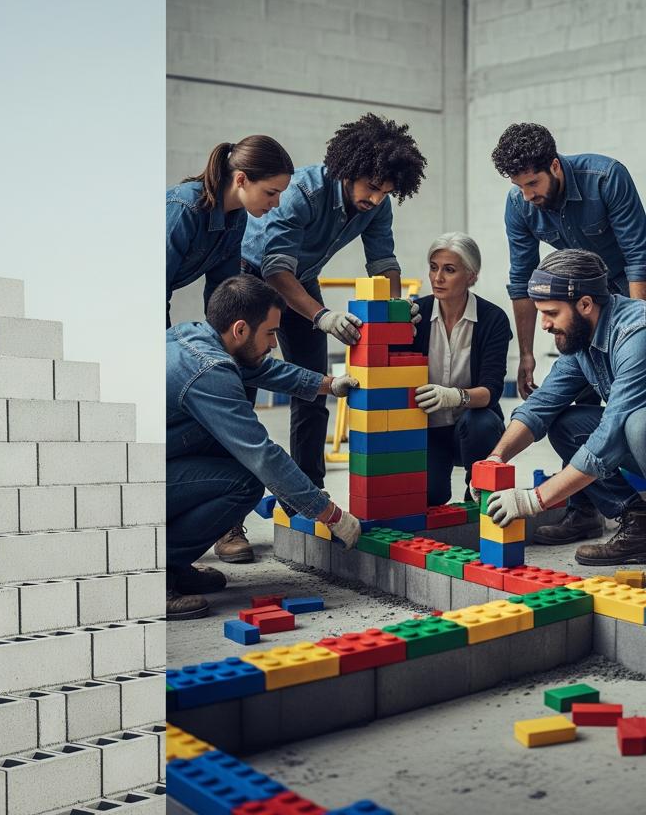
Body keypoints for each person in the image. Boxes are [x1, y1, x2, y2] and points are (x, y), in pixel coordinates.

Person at [239, 113, 426, 506]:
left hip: (301, 278)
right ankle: (230, 519)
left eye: (385, 192)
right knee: (241, 392)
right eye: (372, 187)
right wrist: (323, 316)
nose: (375, 199)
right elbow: (275, 270)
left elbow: (383, 261)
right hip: (252, 276)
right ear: (348, 170)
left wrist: (395, 309)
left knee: (312, 386)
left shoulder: (377, 205)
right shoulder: (302, 193)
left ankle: (308, 494)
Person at [166, 275, 361, 618]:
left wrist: (328, 385)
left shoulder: (197, 336)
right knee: (246, 481)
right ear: (240, 329)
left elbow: (262, 368)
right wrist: (328, 513)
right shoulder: (209, 370)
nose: (274, 343)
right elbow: (262, 454)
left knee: (227, 454)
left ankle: (174, 564)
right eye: (270, 333)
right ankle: (155, 569)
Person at [480, 250, 646, 566]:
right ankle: (638, 524)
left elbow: (611, 434)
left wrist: (534, 499)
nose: (543, 324)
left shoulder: (636, 334)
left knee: (637, 423)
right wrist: (495, 459)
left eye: (552, 313)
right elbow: (541, 406)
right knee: (567, 424)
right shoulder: (582, 338)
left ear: (585, 304)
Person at [492, 122, 646, 402]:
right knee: (581, 387)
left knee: (633, 379)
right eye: (518, 186)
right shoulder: (518, 204)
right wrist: (526, 354)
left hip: (630, 289)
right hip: (582, 298)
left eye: (532, 184)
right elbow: (521, 280)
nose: (527, 195)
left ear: (554, 166)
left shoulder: (606, 178)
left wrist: (639, 326)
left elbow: (638, 258)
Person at [409, 233, 511, 505]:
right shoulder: (417, 313)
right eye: (433, 267)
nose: (437, 277)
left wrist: (455, 396)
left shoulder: (493, 319)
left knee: (483, 422)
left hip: (471, 426)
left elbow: (491, 391)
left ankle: (477, 489)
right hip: (428, 429)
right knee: (432, 495)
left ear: (471, 276)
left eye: (449, 270)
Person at [166, 136, 293, 327]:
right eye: (271, 193)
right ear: (241, 179)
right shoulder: (185, 208)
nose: (276, 203)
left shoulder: (237, 218)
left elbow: (221, 295)